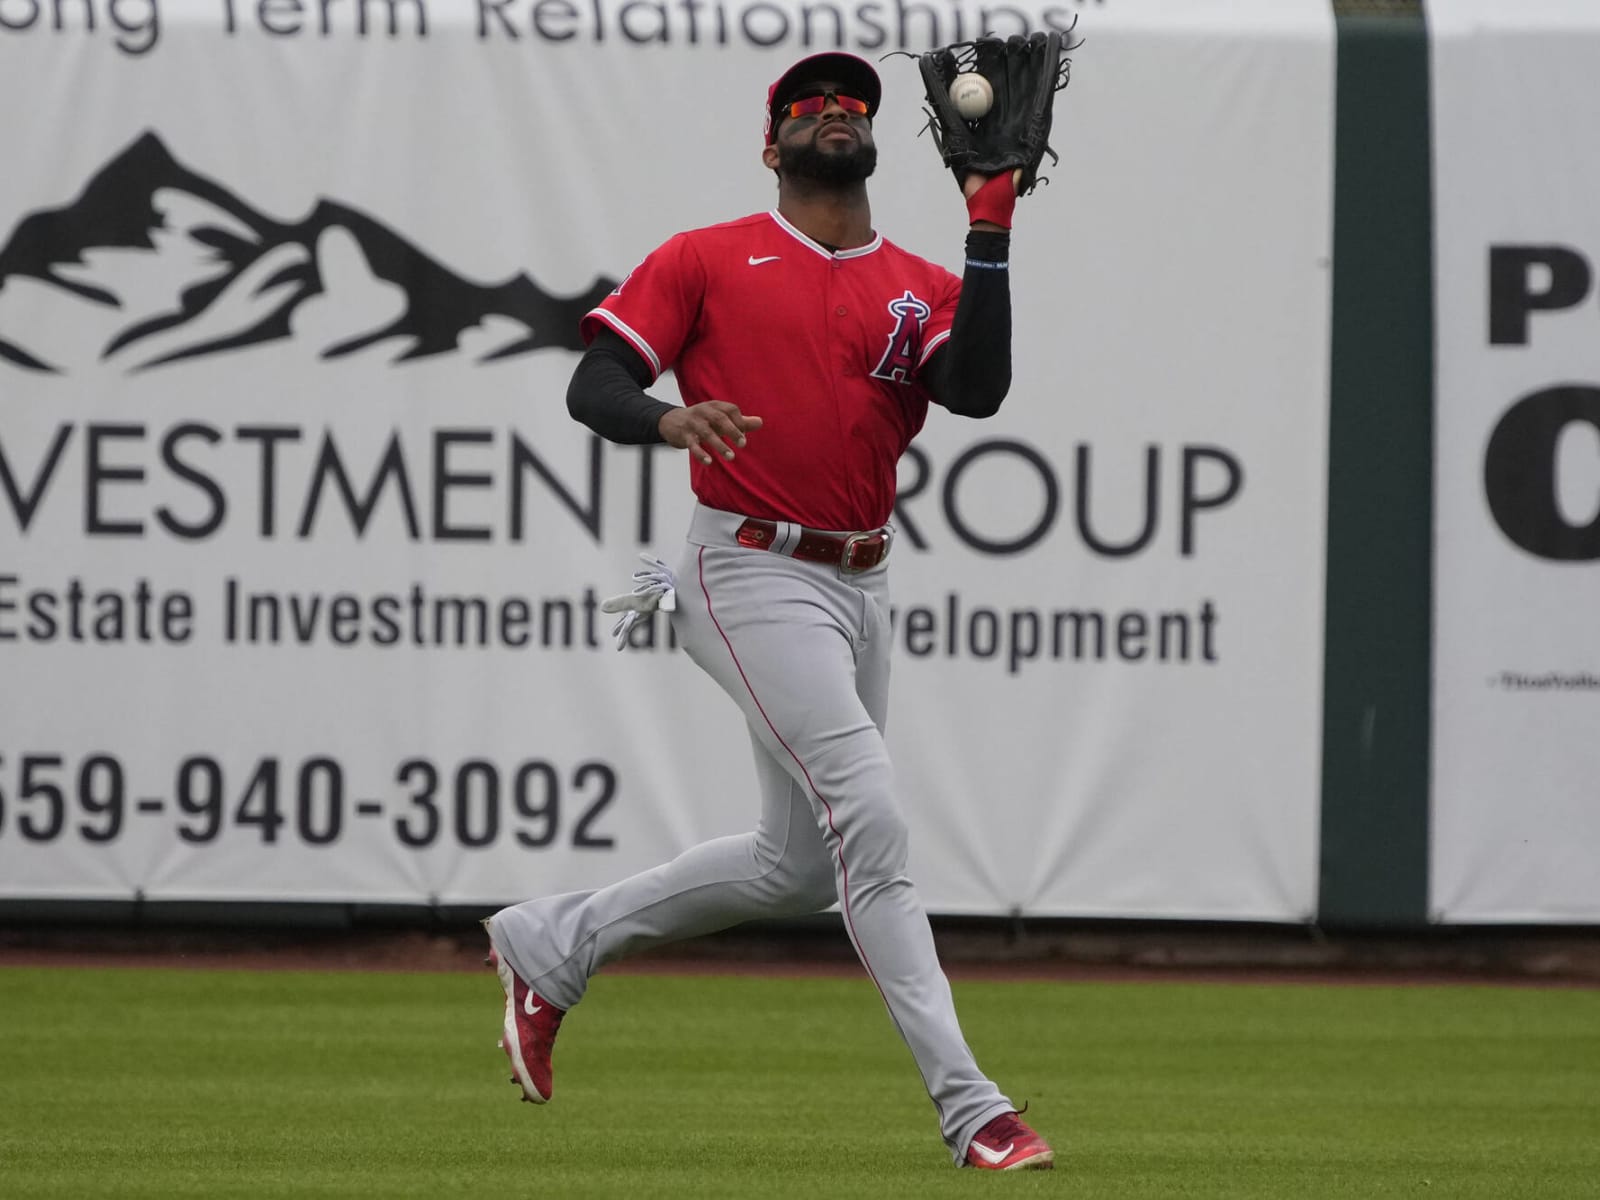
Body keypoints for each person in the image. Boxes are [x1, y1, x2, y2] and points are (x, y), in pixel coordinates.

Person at [483, 49, 1053, 1172]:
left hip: (861, 577)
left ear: (879, 140)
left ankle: (553, 942)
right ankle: (974, 1109)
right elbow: (591, 382)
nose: (834, 112)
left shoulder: (922, 279)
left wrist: (990, 230)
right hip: (743, 569)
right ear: (772, 142)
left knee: (796, 869)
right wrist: (663, 421)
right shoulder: (707, 256)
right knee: (871, 817)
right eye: (809, 105)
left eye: (852, 104)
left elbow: (977, 390)